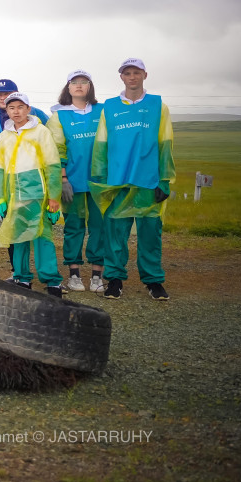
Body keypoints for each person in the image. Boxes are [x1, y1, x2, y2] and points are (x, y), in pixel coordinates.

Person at [91, 58, 175, 301]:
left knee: (150, 234)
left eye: (136, 72)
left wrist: (165, 179)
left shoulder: (159, 105)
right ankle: (115, 280)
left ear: (144, 75)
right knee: (116, 234)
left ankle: (153, 281)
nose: (132, 77)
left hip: (148, 181)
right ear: (122, 77)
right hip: (118, 181)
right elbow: (101, 144)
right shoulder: (111, 107)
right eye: (127, 73)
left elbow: (165, 143)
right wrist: (101, 178)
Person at [0, 93, 64, 296]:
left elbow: (52, 165)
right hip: (14, 195)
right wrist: (0, 199)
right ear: (6, 111)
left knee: (43, 237)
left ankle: (52, 280)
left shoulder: (41, 132)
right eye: (11, 107)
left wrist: (54, 198)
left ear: (28, 109)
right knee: (18, 237)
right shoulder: (3, 137)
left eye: (20, 107)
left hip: (38, 196)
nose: (16, 111)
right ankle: (22, 278)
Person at [47, 71, 107, 293]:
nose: (79, 86)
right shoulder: (59, 115)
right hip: (72, 181)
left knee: (99, 227)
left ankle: (96, 276)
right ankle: (74, 274)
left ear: (90, 87)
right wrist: (63, 179)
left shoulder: (102, 111)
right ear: (68, 88)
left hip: (100, 183)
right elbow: (57, 150)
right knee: (74, 228)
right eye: (75, 82)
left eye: (84, 82)